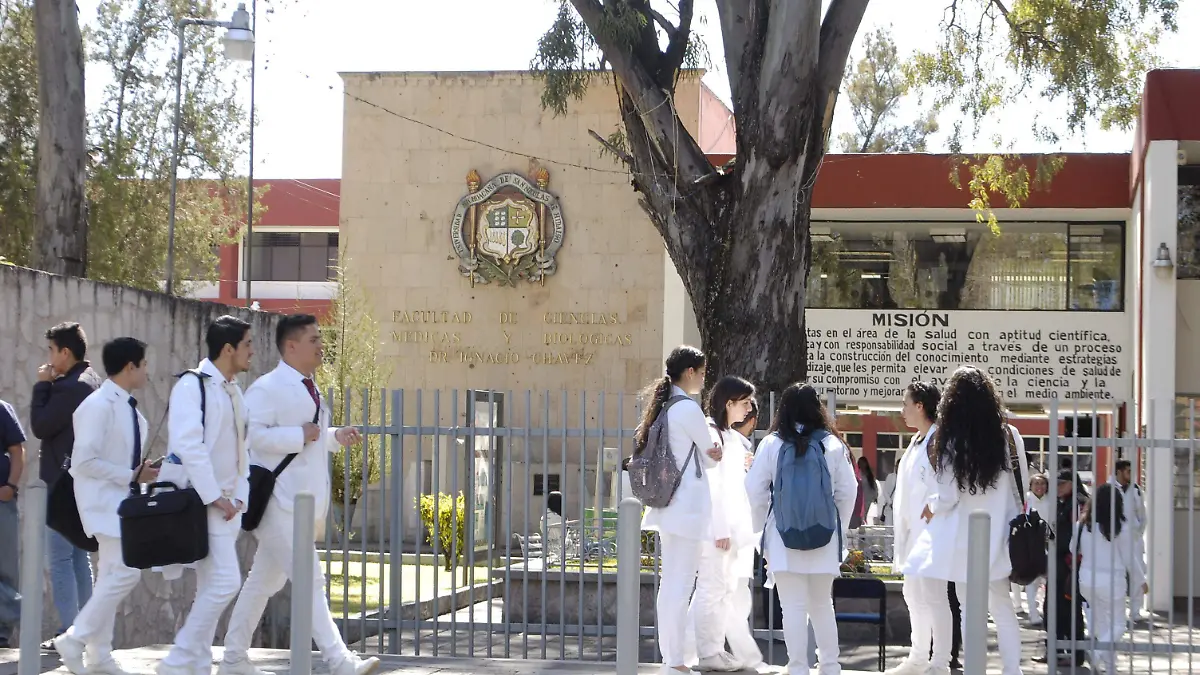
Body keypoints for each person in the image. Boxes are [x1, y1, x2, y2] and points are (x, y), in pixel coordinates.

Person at [220, 314, 377, 675]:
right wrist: (298, 435)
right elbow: (254, 437)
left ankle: (232, 659)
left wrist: (334, 436)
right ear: (291, 345)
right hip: (279, 501)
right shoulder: (267, 387)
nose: (321, 345)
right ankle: (339, 661)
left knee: (263, 582)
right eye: (313, 339)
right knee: (310, 579)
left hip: (302, 502)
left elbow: (312, 436)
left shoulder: (311, 386)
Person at [904, 365, 1029, 675]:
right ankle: (1013, 670)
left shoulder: (950, 439)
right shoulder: (1010, 435)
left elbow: (947, 497)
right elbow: (1021, 486)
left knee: (968, 607)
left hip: (964, 539)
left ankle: (976, 670)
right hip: (1000, 534)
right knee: (1003, 608)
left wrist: (932, 507)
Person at [53, 338, 159, 675]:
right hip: (102, 505)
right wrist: (129, 475)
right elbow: (83, 461)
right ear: (130, 366)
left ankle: (99, 656)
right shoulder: (97, 405)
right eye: (144, 365)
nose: (147, 372)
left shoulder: (131, 411)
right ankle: (76, 637)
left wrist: (142, 474)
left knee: (111, 577)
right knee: (126, 572)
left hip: (120, 504)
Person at [157, 316, 254, 675]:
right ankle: (179, 659)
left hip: (229, 505)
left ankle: (195, 663)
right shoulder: (191, 385)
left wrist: (239, 497)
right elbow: (188, 445)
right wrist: (214, 497)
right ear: (228, 349)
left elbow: (245, 449)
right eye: (247, 344)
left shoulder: (235, 391)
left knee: (210, 586)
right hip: (203, 503)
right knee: (227, 582)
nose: (252, 351)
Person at [745, 383, 857, 675]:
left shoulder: (771, 444)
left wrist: (763, 533)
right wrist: (836, 527)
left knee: (792, 606)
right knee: (822, 604)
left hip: (783, 539)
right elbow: (849, 490)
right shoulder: (832, 444)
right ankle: (830, 666)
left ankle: (797, 668)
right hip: (824, 538)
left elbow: (754, 491)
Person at [637, 346, 722, 675]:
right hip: (686, 508)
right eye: (701, 372)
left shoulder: (665, 407)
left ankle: (671, 655)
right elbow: (712, 453)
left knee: (671, 581)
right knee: (680, 583)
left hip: (668, 505)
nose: (703, 378)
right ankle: (675, 657)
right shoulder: (687, 408)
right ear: (689, 372)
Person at [30, 321, 102, 641]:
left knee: (60, 558)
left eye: (51, 351)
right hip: (81, 482)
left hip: (61, 482)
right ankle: (85, 629)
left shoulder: (68, 388)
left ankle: (69, 632)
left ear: (65, 352)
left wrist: (42, 385)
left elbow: (41, 425)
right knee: (78, 556)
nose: (48, 357)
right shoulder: (91, 380)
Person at [686, 376, 762, 672]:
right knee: (712, 589)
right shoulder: (712, 434)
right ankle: (708, 653)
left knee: (724, 591)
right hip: (717, 530)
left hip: (731, 529)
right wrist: (720, 530)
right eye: (744, 403)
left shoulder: (729, 436)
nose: (748, 409)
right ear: (728, 403)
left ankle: (705, 649)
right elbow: (712, 486)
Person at [888, 382, 953, 675]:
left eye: (906, 403)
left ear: (920, 406)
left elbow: (950, 485)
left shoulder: (939, 440)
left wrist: (934, 507)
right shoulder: (917, 441)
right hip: (913, 534)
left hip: (932, 533)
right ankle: (917, 656)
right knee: (913, 594)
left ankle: (940, 661)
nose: (902, 410)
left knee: (934, 596)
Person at [1073, 483, 1145, 675]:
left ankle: (1109, 667)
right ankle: (1096, 654)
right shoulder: (1121, 528)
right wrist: (1141, 580)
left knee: (1103, 626)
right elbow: (1131, 559)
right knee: (1118, 624)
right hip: (1112, 581)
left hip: (1086, 580)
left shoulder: (1082, 525)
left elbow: (1074, 549)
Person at [0, 398, 26, 649]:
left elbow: (17, 451)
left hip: (1, 502)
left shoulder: (1, 408)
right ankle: (22, 613)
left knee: (5, 570)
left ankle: (2, 634)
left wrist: (10, 486)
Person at [1012, 473, 1052, 625]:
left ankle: (1043, 610)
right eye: (1036, 483)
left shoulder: (1050, 500)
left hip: (1048, 543)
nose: (1040, 487)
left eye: (1042, 483)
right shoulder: (1026, 500)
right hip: (1030, 545)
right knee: (1031, 581)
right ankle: (1033, 614)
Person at [1112, 459, 1148, 620]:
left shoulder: (1136, 490)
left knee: (1137, 570)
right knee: (1117, 573)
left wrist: (1138, 533)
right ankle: (1117, 609)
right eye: (1127, 471)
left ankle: (1135, 610)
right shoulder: (1109, 488)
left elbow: (1142, 515)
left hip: (1133, 538)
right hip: (1115, 537)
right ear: (1119, 472)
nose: (1130, 474)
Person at [541, 490, 566, 563]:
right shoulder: (559, 518)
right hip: (560, 548)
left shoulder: (544, 517)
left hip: (549, 547)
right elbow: (564, 534)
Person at [858, 456, 879, 524]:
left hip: (868, 498)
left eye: (863, 463)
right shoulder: (857, 473)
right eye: (860, 463)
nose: (862, 465)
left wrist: (875, 496)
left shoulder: (869, 474)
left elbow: (874, 486)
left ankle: (862, 525)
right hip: (859, 498)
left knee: (864, 514)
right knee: (859, 514)